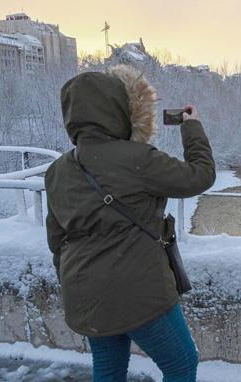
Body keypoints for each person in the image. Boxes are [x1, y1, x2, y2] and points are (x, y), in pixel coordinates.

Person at [44, 64, 215, 382]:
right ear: (119, 109)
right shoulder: (137, 158)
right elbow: (200, 175)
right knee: (181, 363)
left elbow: (57, 239)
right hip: (139, 292)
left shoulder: (58, 170)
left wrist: (76, 281)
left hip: (84, 293)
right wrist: (192, 127)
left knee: (109, 368)